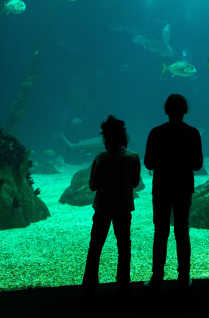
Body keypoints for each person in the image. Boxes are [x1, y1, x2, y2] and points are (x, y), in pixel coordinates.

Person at [144, 94, 203, 290]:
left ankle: (157, 276)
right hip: (183, 186)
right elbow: (198, 164)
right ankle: (184, 276)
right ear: (185, 110)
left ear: (166, 110)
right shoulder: (193, 133)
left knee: (160, 231)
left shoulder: (156, 133)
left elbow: (148, 163)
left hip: (161, 186)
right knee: (182, 231)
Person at [82, 115, 141, 297]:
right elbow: (134, 183)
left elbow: (92, 185)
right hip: (123, 207)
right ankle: (123, 284)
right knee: (124, 246)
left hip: (102, 207)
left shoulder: (100, 158)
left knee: (96, 245)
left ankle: (90, 284)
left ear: (105, 138)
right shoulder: (133, 158)